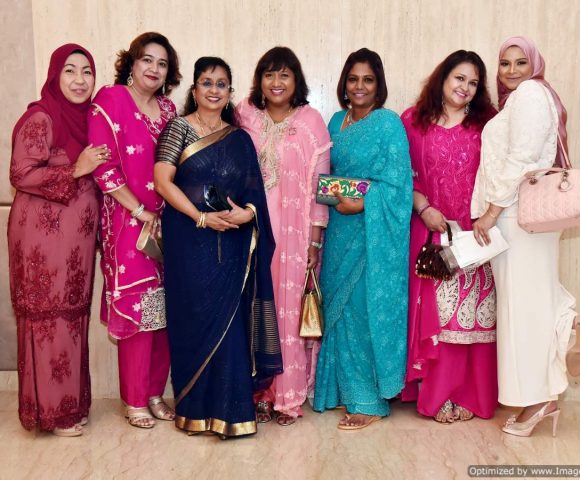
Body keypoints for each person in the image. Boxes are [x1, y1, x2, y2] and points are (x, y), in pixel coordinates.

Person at [154, 57, 283, 438]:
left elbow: (253, 194)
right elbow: (163, 182)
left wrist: (248, 215)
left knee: (231, 326)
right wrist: (200, 218)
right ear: (194, 89)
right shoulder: (178, 129)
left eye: (221, 84)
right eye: (207, 83)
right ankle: (194, 410)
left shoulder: (239, 139)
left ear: (230, 92)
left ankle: (232, 413)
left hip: (232, 246)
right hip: (188, 242)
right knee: (192, 320)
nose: (214, 90)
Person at [472, 36, 577, 437]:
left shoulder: (530, 94)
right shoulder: (520, 100)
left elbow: (523, 159)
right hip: (517, 218)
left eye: (520, 62)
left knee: (525, 309)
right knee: (527, 306)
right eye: (505, 63)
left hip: (517, 217)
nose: (512, 70)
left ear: (534, 65)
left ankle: (540, 399)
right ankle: (541, 392)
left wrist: (491, 211)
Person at [8, 44, 107, 436]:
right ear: (54, 75)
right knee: (48, 317)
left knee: (72, 316)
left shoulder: (90, 119)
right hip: (41, 238)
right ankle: (52, 413)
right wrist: (76, 169)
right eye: (69, 71)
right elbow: (21, 173)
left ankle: (70, 405)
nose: (80, 80)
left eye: (87, 72)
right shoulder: (41, 117)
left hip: (75, 242)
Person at [313, 48, 412, 429]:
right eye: (353, 79)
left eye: (368, 80)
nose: (359, 86)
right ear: (344, 83)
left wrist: (364, 201)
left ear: (378, 84)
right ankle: (342, 391)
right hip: (339, 233)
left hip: (373, 237)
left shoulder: (388, 124)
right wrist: (333, 195)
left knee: (361, 311)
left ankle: (368, 401)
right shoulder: (335, 122)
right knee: (337, 312)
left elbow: (399, 188)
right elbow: (326, 178)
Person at [87, 32, 182, 429]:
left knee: (165, 309)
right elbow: (103, 168)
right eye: (147, 60)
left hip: (168, 224)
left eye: (162, 63)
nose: (154, 69)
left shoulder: (169, 110)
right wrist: (140, 211)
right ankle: (135, 399)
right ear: (132, 62)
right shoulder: (110, 101)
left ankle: (156, 392)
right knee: (138, 308)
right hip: (127, 223)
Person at [401, 50, 498, 423]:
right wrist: (424, 207)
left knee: (472, 320)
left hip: (476, 237)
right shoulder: (413, 121)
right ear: (443, 77)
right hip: (434, 234)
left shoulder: (487, 123)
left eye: (473, 83)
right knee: (441, 319)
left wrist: (488, 216)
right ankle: (438, 395)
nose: (465, 88)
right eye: (459, 78)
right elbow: (402, 176)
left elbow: (501, 173)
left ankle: (469, 395)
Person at [237, 46, 331, 426]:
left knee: (286, 312)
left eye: (284, 74)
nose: (276, 82)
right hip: (250, 233)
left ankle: (286, 395)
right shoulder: (245, 115)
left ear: (297, 81)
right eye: (269, 74)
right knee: (254, 309)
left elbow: (322, 186)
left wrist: (315, 241)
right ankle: (258, 391)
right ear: (259, 80)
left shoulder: (311, 122)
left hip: (294, 238)